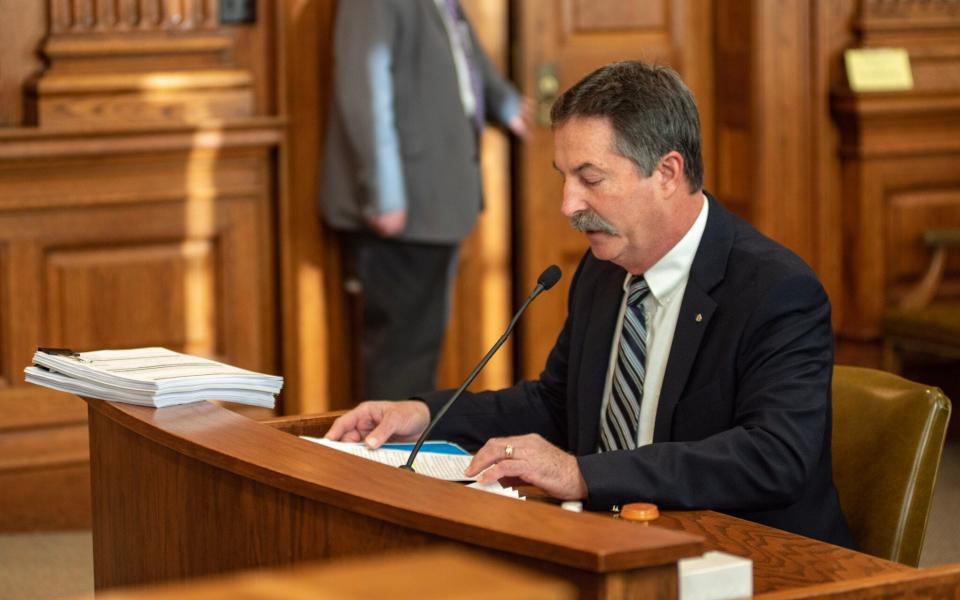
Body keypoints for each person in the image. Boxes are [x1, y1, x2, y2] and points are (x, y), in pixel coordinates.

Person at [325, 61, 854, 548]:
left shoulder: (776, 289)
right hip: (618, 546)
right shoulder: (603, 270)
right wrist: (425, 415)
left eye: (591, 179)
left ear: (667, 173)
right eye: (564, 178)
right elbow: (557, 405)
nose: (568, 205)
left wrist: (584, 474)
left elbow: (775, 455)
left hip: (751, 558)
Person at [320, 0, 530, 399]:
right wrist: (383, 197)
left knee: (421, 351)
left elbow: (463, 51)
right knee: (401, 360)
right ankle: (388, 461)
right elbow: (364, 90)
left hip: (437, 202)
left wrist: (504, 102)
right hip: (403, 209)